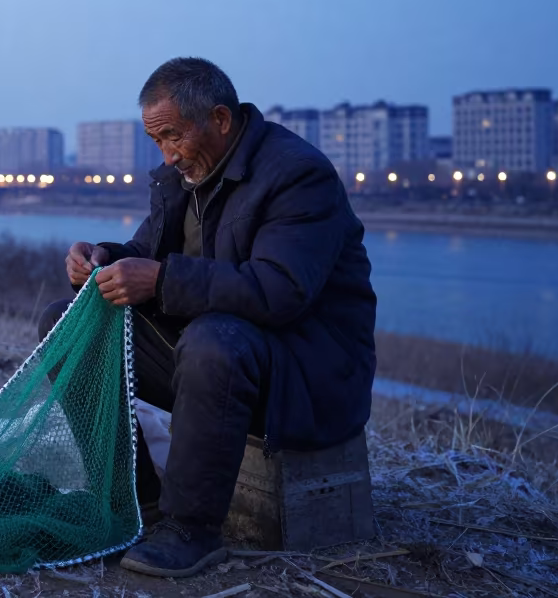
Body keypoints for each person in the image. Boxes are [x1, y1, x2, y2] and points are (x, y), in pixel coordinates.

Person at [37, 57, 376, 579]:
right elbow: (148, 253)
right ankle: (132, 498)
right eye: (157, 141)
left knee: (214, 341)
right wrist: (102, 260)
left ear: (220, 119)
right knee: (67, 323)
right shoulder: (184, 176)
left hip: (307, 376)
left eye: (173, 136)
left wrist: (161, 280)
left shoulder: (297, 174)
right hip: (219, 356)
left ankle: (191, 529)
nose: (167, 155)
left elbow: (281, 291)